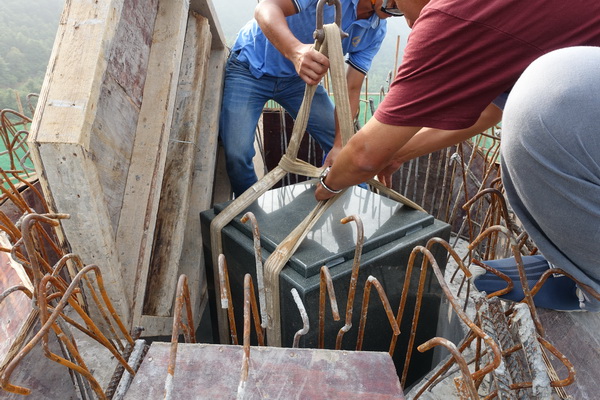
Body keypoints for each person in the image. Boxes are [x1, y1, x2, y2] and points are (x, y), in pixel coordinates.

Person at [314, 0, 600, 311]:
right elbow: (489, 112)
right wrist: (398, 153)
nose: (408, 23)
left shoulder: (452, 13)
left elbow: (362, 157)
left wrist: (327, 185)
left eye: (394, 6)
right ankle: (575, 261)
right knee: (530, 103)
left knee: (541, 111)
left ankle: (592, 282)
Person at [219, 0, 400, 197]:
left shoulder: (375, 30)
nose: (395, 13)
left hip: (297, 82)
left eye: (401, 9)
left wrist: (340, 146)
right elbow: (265, 8)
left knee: (347, 147)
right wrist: (296, 52)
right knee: (237, 154)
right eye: (393, 4)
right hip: (251, 67)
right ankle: (251, 213)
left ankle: (349, 203)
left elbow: (352, 88)